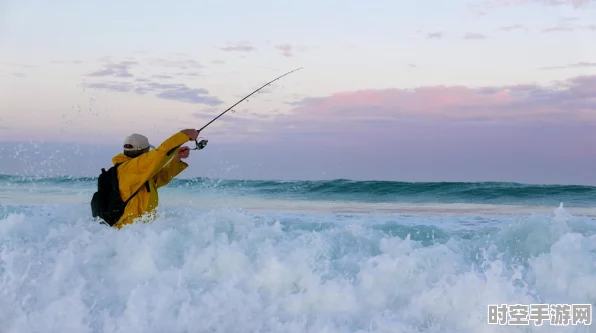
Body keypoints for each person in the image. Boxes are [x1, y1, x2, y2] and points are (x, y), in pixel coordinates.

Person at [91, 129, 200, 229]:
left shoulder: (134, 173)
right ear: (144, 154)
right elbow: (161, 153)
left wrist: (177, 158)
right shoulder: (132, 168)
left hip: (135, 234)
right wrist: (184, 135)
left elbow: (160, 178)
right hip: (128, 233)